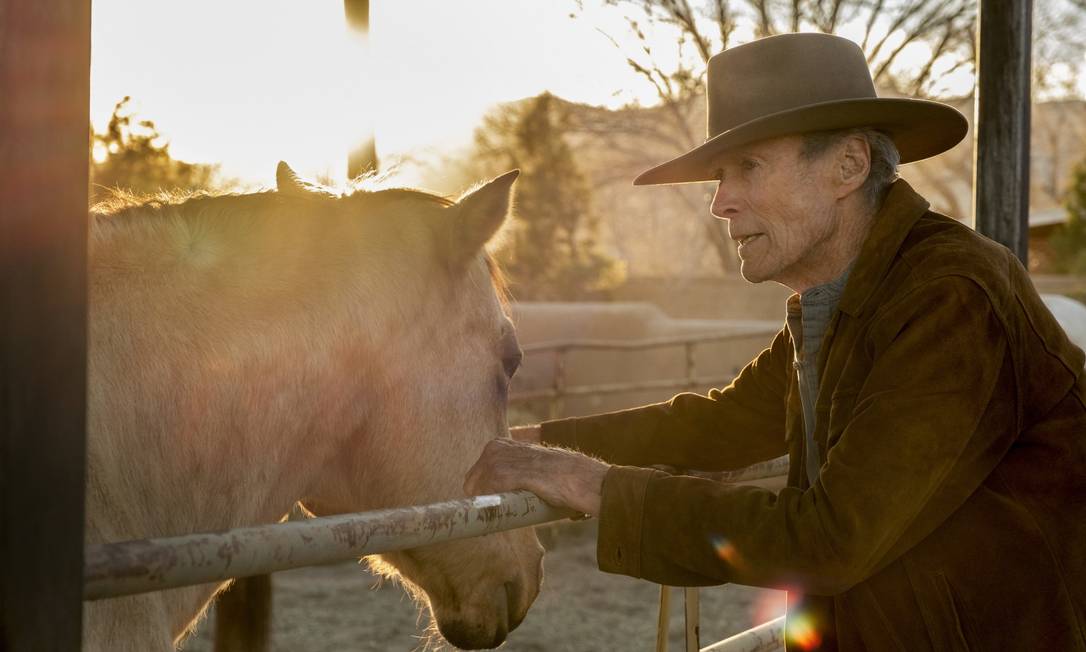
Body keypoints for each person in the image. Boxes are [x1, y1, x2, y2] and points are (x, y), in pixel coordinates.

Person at [465, 32, 1086, 651]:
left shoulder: (950, 298)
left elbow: (830, 540)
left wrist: (591, 486)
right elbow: (728, 421)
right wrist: (537, 444)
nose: (719, 203)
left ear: (848, 166)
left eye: (749, 168)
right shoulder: (847, 297)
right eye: (718, 176)